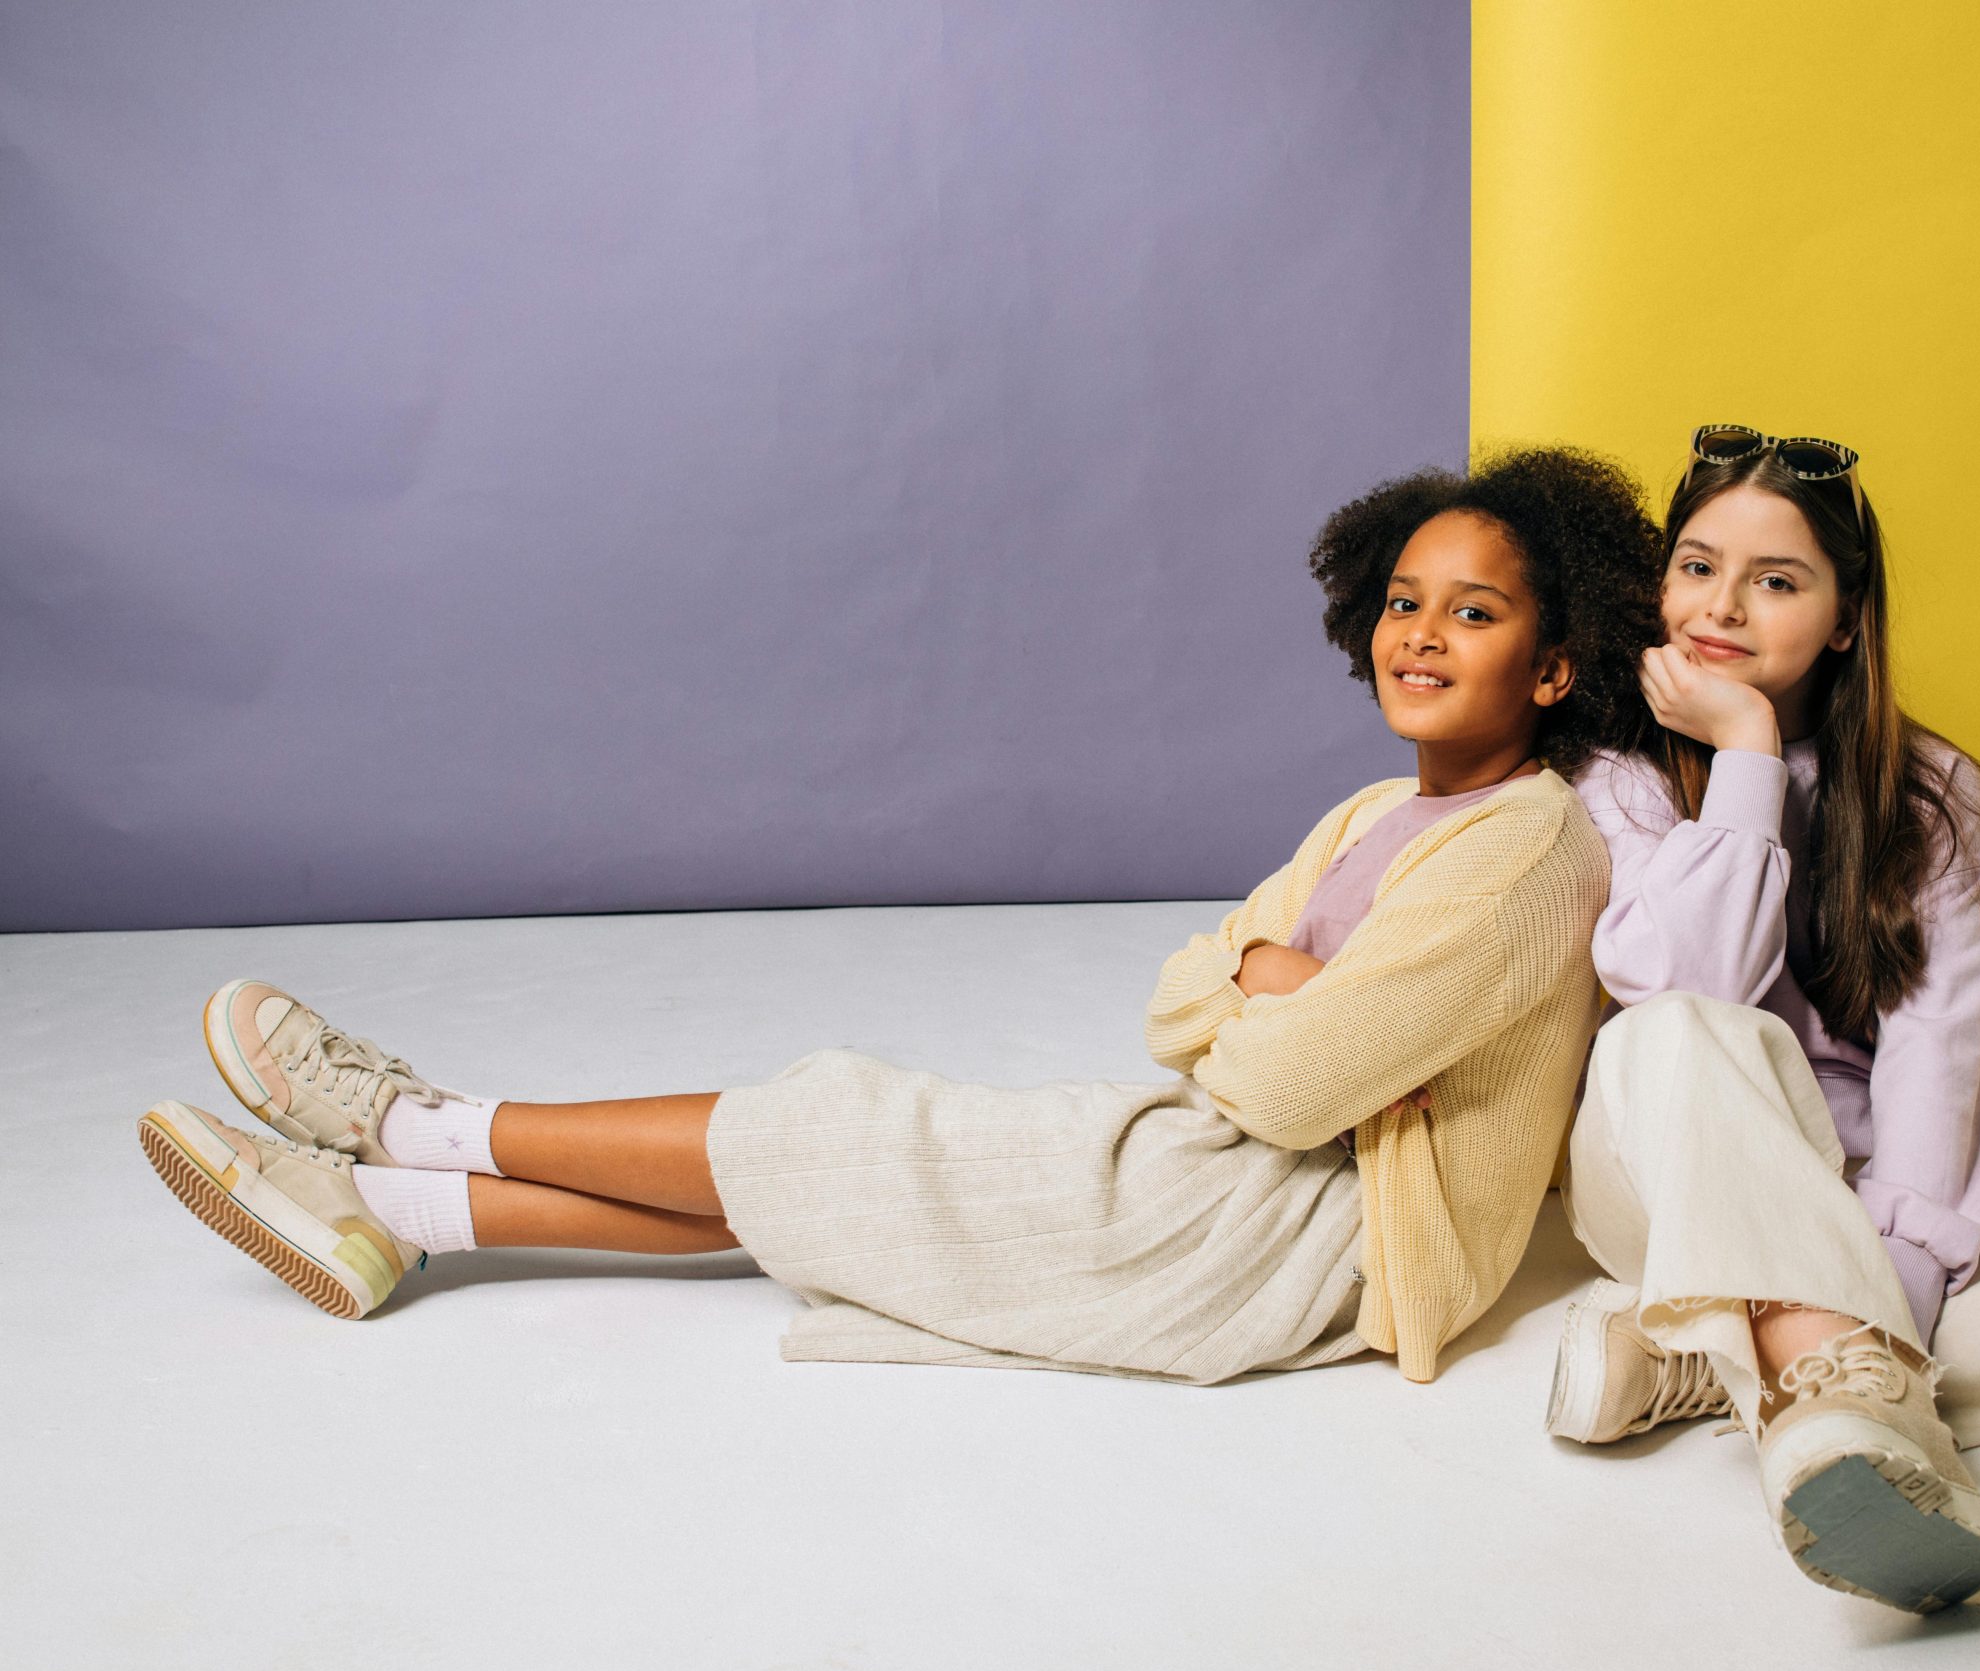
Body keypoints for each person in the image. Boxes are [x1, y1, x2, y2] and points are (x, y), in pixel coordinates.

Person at [140, 447, 1664, 1388]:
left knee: (840, 1128)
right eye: (1405, 599)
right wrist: (1278, 984)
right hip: (1234, 1165)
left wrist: (1276, 1002)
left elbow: (1277, 1075)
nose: (1421, 633)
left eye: (1475, 611)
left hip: (1320, 1236)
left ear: (1552, 664)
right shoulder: (1374, 815)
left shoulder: (1528, 844)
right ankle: (397, 1217)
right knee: (862, 1176)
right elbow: (1185, 998)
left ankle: (409, 1122)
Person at [1544, 425, 1980, 1612]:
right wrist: (1748, 752)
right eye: (1697, 565)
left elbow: (1934, 1056)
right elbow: (1694, 985)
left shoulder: (1932, 793)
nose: (1723, 605)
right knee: (1669, 1031)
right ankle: (1838, 1390)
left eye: (1776, 581)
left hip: (1862, 1196)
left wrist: (1900, 1276)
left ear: (1845, 616)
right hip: (1669, 1177)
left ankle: (1718, 1362)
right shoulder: (1612, 773)